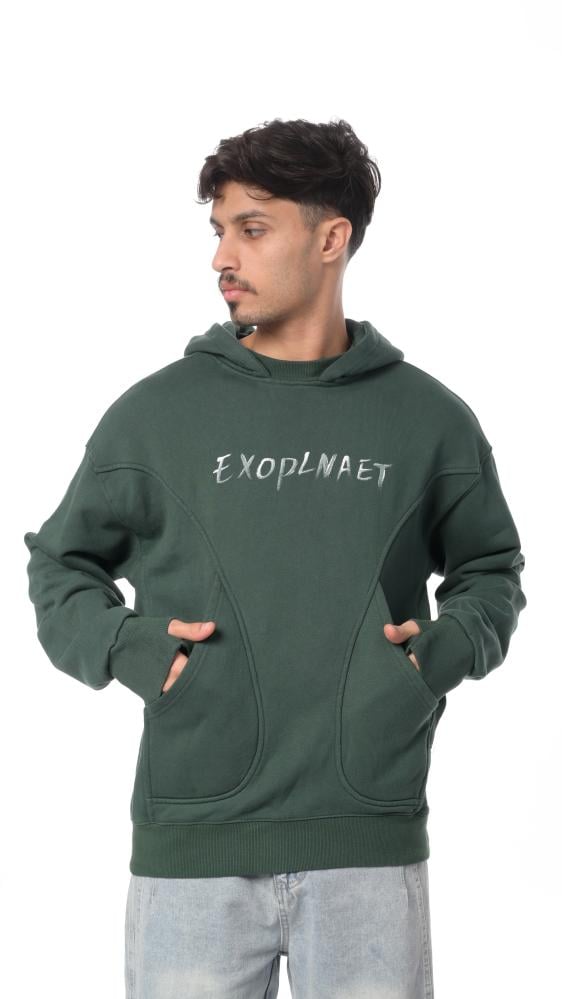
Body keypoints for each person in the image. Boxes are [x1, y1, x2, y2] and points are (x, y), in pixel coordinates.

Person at [23, 117, 527, 998]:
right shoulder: (157, 416)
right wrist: (129, 647)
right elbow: (60, 564)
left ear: (331, 239)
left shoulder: (429, 420)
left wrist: (439, 653)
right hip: (194, 848)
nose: (223, 256)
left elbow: (491, 569)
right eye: (219, 230)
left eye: (252, 228)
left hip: (368, 845)